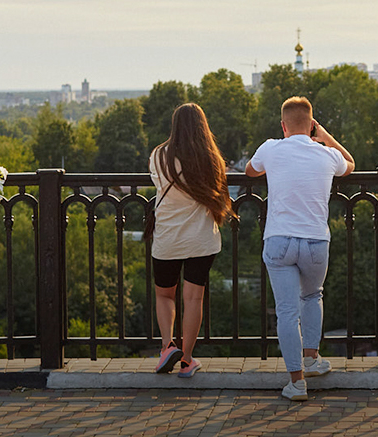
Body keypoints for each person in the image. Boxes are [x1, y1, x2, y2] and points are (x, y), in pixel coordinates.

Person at [245, 96, 355, 401]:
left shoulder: (271, 148)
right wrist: (326, 137)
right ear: (311, 126)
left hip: (279, 240)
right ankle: (312, 359)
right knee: (312, 296)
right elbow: (351, 164)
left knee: (286, 311)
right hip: (316, 241)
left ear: (283, 126)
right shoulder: (326, 155)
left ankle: (297, 382)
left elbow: (250, 171)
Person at [150, 103, 233, 378]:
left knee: (165, 294)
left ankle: (166, 347)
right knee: (193, 298)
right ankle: (186, 360)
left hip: (168, 238)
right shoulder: (212, 159)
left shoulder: (159, 156)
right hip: (201, 240)